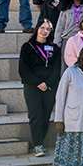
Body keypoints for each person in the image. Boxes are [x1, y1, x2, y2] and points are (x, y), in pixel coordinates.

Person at [19, 19, 61, 156]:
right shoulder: (27, 47)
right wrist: (38, 83)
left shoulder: (55, 48)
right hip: (32, 86)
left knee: (45, 116)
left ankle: (40, 142)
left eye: (48, 29)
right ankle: (38, 145)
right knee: (35, 115)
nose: (45, 31)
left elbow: (56, 69)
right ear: (37, 29)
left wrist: (47, 83)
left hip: (49, 86)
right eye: (42, 28)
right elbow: (23, 70)